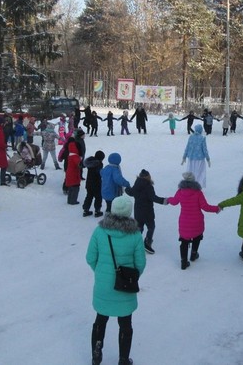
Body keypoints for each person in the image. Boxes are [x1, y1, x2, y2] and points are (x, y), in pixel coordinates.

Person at [86, 195, 146, 365]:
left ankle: (96, 355)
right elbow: (140, 263)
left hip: (103, 286)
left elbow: (90, 257)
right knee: (125, 324)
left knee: (100, 320)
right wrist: (130, 277)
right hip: (125, 287)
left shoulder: (99, 231)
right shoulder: (134, 234)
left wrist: (101, 273)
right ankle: (123, 359)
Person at [167, 171, 221, 270]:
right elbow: (205, 207)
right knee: (197, 236)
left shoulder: (180, 191)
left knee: (184, 241)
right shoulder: (198, 192)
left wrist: (168, 199)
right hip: (197, 221)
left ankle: (183, 262)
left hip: (184, 221)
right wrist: (216, 208)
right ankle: (193, 254)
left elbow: (174, 202)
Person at [125, 169, 166, 254]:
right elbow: (153, 198)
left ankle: (136, 243)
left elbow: (131, 192)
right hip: (147, 212)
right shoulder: (149, 187)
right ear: (148, 177)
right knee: (151, 227)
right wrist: (164, 201)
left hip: (138, 211)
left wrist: (126, 189)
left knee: (139, 227)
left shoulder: (136, 185)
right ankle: (147, 243)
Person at [83, 150, 106, 217]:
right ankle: (97, 210)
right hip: (96, 183)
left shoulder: (90, 163)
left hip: (89, 183)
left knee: (89, 196)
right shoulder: (99, 164)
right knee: (98, 197)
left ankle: (86, 209)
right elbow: (99, 173)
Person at [65, 141, 82, 205]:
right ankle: (73, 201)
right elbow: (79, 164)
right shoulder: (75, 157)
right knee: (75, 189)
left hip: (69, 173)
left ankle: (69, 200)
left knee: (71, 189)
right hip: (74, 174)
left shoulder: (70, 155)